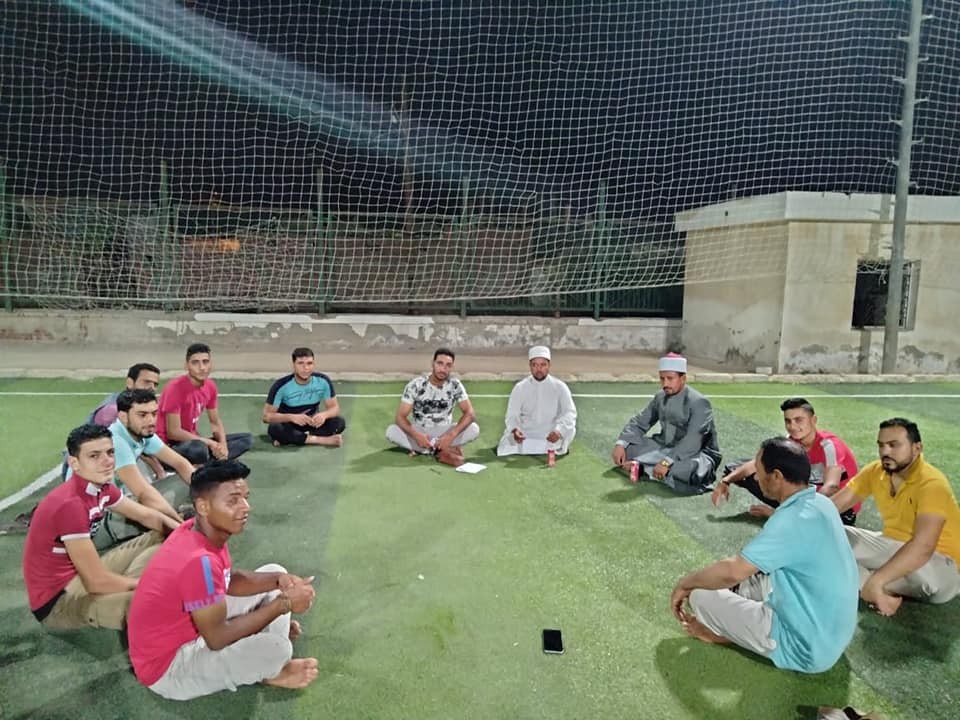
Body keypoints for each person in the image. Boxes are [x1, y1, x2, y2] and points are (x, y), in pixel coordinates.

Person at [127, 460, 319, 700]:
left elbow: (227, 580)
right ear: (203, 506)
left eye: (245, 498)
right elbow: (217, 638)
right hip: (169, 668)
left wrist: (280, 580)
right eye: (233, 501)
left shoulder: (196, 530)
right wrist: (284, 605)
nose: (246, 507)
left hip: (192, 628)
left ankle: (261, 646)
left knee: (275, 573)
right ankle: (271, 669)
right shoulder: (199, 562)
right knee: (277, 649)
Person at [671, 437, 859, 674]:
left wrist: (685, 583)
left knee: (701, 595)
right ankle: (740, 624)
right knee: (754, 575)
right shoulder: (822, 503)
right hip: (834, 634)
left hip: (804, 649)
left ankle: (726, 634)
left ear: (777, 476)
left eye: (759, 472)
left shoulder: (789, 521)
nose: (756, 478)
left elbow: (733, 571)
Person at [21, 424, 179, 630]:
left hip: (81, 577)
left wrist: (189, 534)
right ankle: (132, 591)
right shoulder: (70, 505)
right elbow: (96, 582)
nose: (107, 461)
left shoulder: (100, 487)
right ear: (74, 463)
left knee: (164, 535)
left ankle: (126, 585)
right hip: (59, 601)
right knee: (152, 601)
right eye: (94, 456)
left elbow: (148, 516)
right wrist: (146, 584)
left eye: (110, 452)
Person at [832, 418, 960, 616]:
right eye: (881, 445)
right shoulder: (875, 471)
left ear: (917, 448)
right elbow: (832, 508)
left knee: (930, 583)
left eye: (894, 445)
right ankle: (874, 589)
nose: (885, 451)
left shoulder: (932, 484)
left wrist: (878, 580)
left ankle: (869, 582)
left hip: (940, 566)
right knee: (828, 533)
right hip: (892, 548)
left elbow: (924, 546)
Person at [65, 389, 197, 547]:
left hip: (112, 502)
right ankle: (179, 527)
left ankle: (178, 522)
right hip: (95, 523)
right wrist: (179, 525)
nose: (151, 420)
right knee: (158, 528)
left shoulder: (142, 431)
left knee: (190, 481)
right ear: (123, 416)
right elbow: (143, 493)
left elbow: (180, 463)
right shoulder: (116, 441)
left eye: (154, 414)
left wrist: (209, 496)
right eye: (142, 415)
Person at [713, 398, 860, 525]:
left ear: (813, 420)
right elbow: (757, 464)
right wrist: (726, 481)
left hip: (839, 511)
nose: (792, 426)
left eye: (798, 420)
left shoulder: (829, 446)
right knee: (737, 468)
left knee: (778, 479)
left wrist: (782, 513)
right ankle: (790, 513)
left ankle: (788, 516)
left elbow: (831, 487)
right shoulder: (793, 441)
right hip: (810, 493)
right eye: (788, 421)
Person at [611, 353, 721, 494]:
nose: (665, 384)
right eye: (662, 378)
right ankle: (653, 470)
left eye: (670, 378)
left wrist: (666, 461)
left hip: (695, 453)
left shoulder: (699, 402)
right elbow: (640, 422)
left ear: (683, 378)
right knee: (628, 448)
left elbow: (693, 440)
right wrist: (621, 444)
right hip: (665, 446)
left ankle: (645, 469)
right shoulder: (660, 396)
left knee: (689, 469)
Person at [157, 343, 253, 465]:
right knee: (199, 449)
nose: (202, 367)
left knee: (246, 439)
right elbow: (173, 432)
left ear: (210, 364)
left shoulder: (210, 386)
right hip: (169, 445)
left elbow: (215, 422)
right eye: (195, 363)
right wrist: (209, 443)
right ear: (186, 365)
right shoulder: (175, 388)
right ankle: (210, 462)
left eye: (205, 362)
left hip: (192, 440)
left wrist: (223, 446)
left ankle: (212, 460)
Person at [385, 348, 479, 465]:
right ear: (432, 363)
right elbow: (400, 417)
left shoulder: (455, 385)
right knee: (391, 431)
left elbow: (470, 413)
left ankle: (426, 450)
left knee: (474, 429)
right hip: (421, 431)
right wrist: (416, 436)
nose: (443, 369)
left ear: (452, 367)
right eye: (440, 363)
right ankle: (440, 450)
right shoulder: (416, 385)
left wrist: (450, 436)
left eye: (448, 365)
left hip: (445, 431)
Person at [496, 346, 577, 457]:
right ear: (530, 366)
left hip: (551, 434)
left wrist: (559, 431)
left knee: (570, 430)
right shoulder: (520, 388)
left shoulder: (560, 387)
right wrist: (515, 430)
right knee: (510, 440)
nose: (539, 369)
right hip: (526, 434)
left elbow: (569, 413)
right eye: (535, 365)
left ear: (549, 365)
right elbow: (512, 415)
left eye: (543, 365)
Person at [262, 347, 346, 448]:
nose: (306, 368)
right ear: (293, 365)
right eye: (300, 363)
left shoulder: (323, 381)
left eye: (309, 363)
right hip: (290, 424)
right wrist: (292, 417)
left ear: (314, 364)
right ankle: (324, 440)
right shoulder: (281, 386)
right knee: (275, 428)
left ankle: (293, 439)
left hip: (312, 424)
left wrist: (324, 415)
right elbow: (267, 416)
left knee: (339, 422)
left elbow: (335, 408)